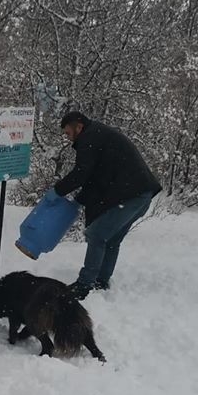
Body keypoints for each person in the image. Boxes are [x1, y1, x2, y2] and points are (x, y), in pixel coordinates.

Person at [54, 111, 161, 299]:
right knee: (111, 239)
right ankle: (101, 281)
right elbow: (95, 177)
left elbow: (82, 173)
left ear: (79, 127)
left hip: (131, 196)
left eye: (68, 133)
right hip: (142, 194)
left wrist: (57, 191)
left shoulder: (89, 138)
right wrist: (79, 200)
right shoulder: (98, 135)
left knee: (96, 235)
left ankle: (84, 285)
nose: (68, 138)